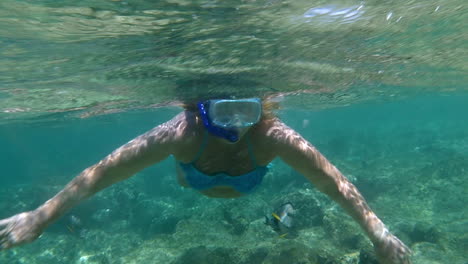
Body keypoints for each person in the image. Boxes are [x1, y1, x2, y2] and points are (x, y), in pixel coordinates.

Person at [0, 96, 411, 264]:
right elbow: (101, 175)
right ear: (201, 110)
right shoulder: (185, 133)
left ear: (262, 111)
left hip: (248, 179)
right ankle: (182, 170)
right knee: (182, 169)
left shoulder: (271, 136)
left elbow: (333, 183)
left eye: (245, 112)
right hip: (191, 177)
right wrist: (40, 217)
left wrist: (379, 232)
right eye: (223, 112)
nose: (235, 126)